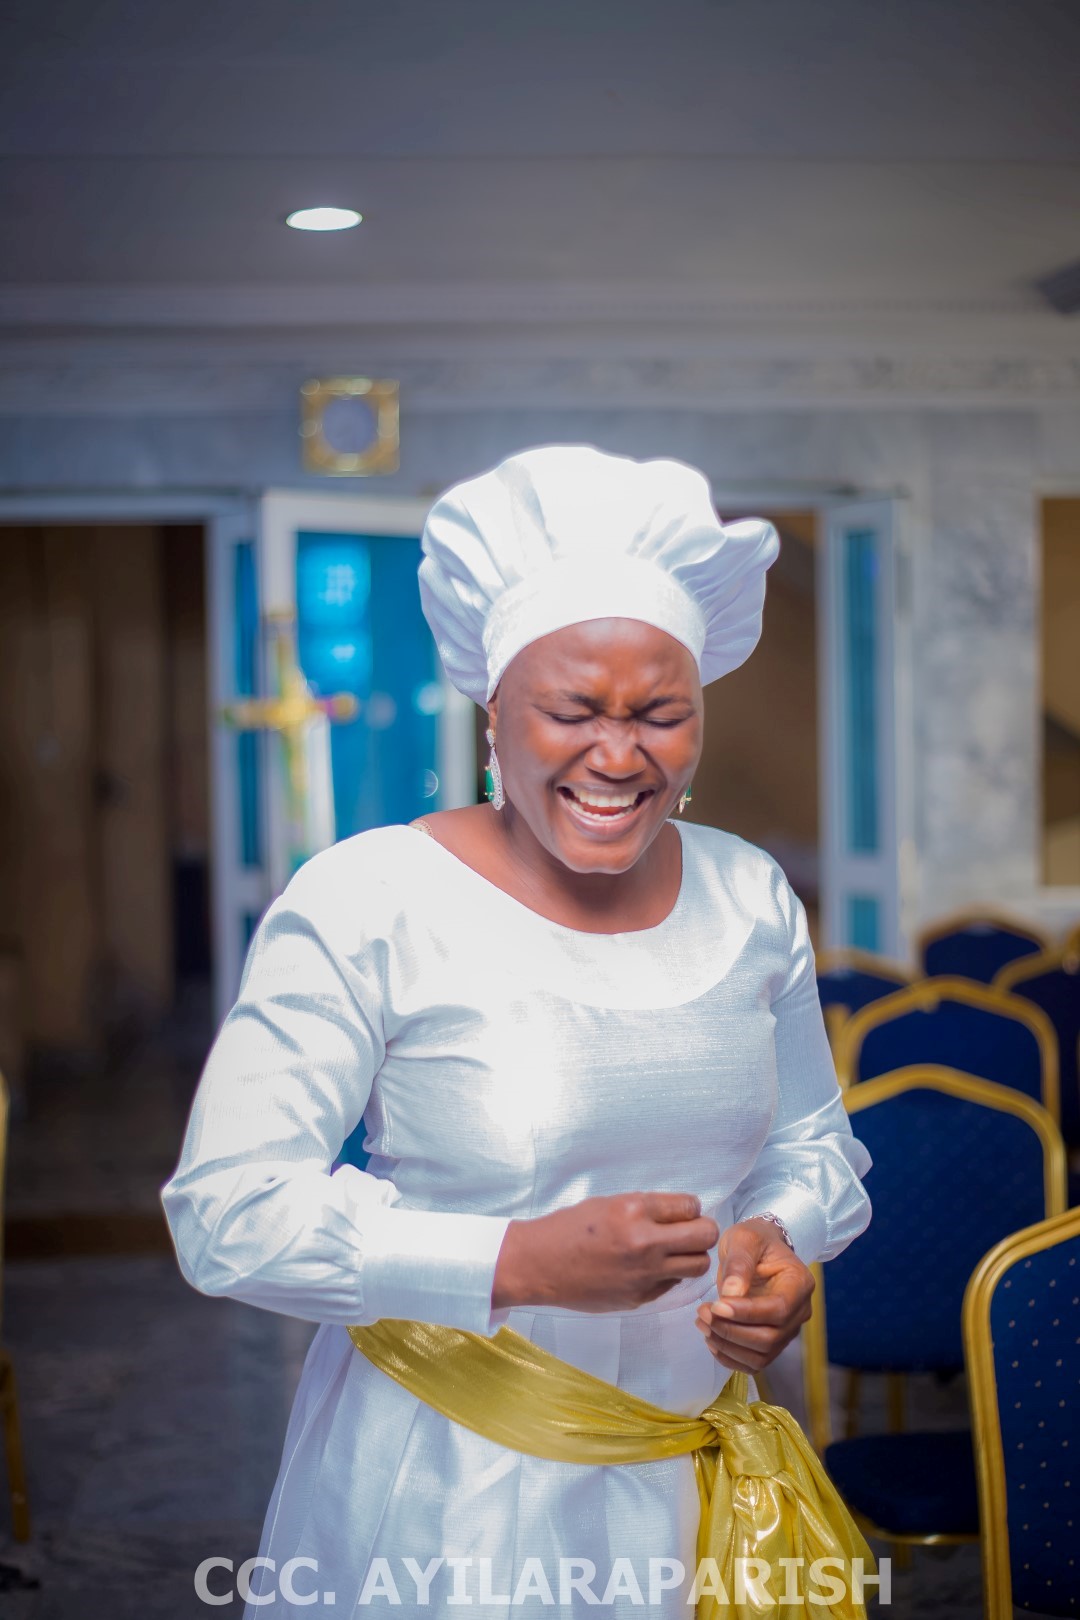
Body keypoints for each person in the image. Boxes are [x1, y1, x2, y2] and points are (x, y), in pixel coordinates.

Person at [162, 445, 872, 1618]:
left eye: (661, 714)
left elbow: (813, 1145)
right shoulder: (369, 897)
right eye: (571, 710)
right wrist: (516, 1264)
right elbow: (227, 1213)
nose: (618, 755)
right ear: (493, 713)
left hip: (691, 1477)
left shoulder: (750, 896)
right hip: (453, 1488)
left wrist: (778, 1239)